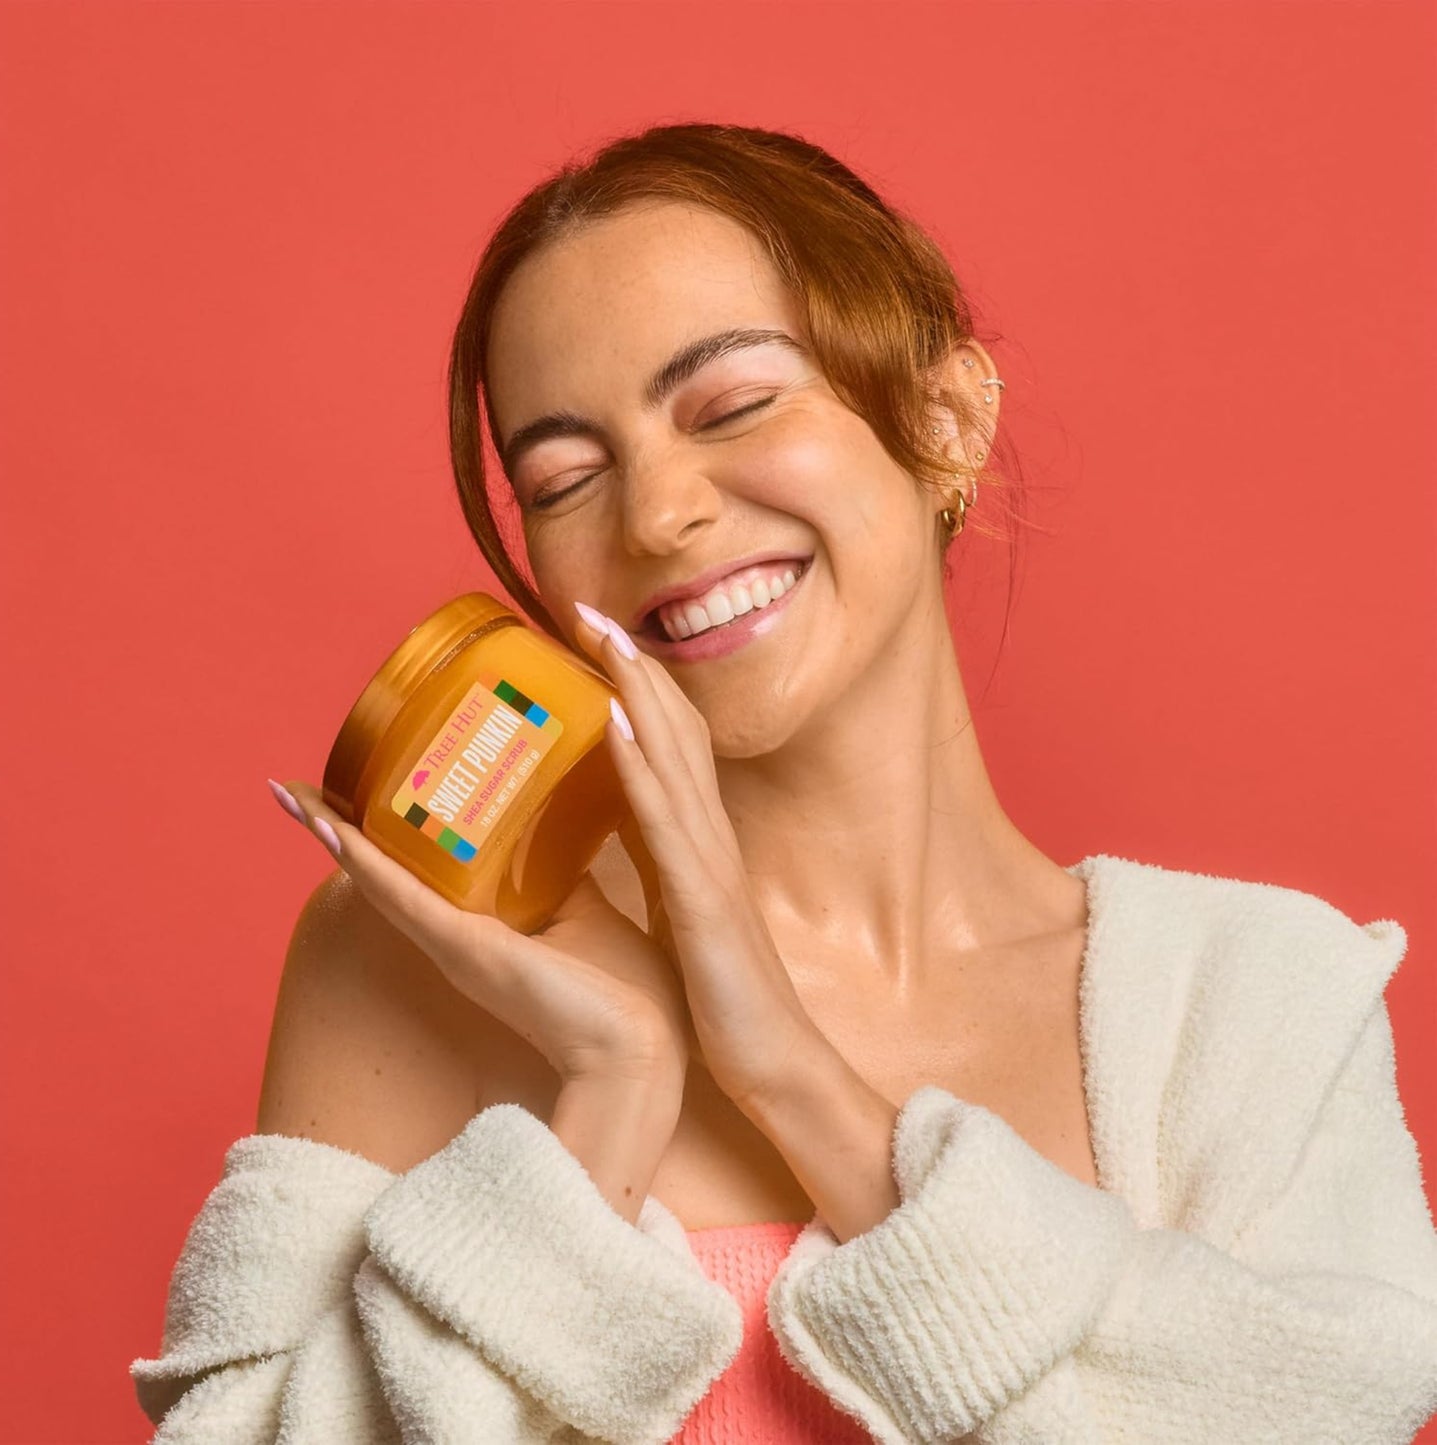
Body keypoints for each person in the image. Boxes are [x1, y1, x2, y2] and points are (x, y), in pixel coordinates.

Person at [130, 122, 1437, 1444]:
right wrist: (609, 1092)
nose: (654, 516)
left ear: (944, 418)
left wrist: (792, 1075)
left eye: (733, 404)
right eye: (566, 478)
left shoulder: (1255, 1001)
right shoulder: (428, 959)